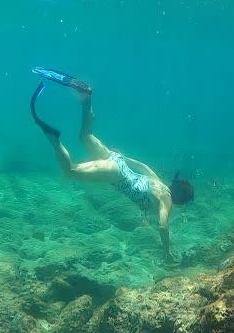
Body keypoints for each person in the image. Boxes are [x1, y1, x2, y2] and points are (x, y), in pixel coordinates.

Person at [30, 67, 194, 263]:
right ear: (180, 201)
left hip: (117, 161)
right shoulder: (165, 201)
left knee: (85, 136)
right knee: (70, 171)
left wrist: (123, 158)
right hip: (115, 173)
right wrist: (166, 252)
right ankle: (54, 139)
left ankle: (86, 96)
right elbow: (162, 226)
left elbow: (143, 167)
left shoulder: (158, 182)